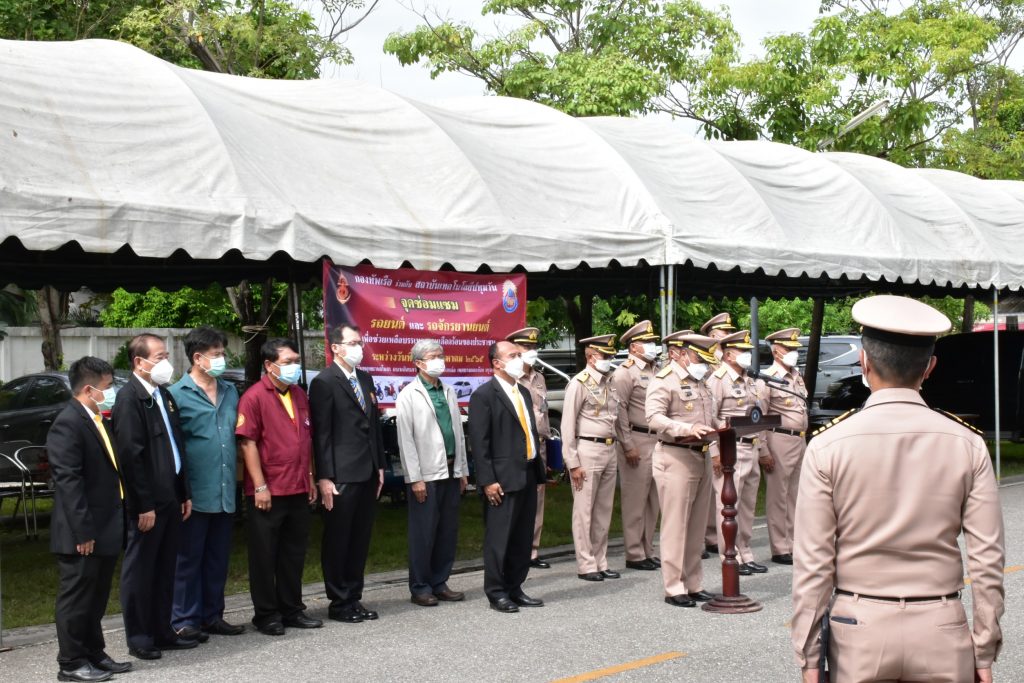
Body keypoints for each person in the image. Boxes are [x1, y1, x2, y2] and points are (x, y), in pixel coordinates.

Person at [792, 295, 1005, 683]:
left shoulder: (827, 445)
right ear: (930, 368)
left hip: (858, 626)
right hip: (941, 626)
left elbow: (813, 563)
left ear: (864, 362)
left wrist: (808, 657)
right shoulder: (967, 443)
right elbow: (987, 559)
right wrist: (984, 648)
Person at [112, 334, 195, 660]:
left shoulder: (163, 395)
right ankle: (140, 635)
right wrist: (142, 504)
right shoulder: (129, 399)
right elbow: (131, 457)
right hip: (147, 503)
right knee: (141, 570)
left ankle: (163, 629)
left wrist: (183, 491)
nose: (165, 363)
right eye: (159, 357)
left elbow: (177, 446)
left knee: (165, 568)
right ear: (139, 363)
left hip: (171, 496)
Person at [47, 356, 130, 682]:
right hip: (81, 531)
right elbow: (69, 482)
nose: (110, 393)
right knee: (77, 599)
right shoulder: (67, 423)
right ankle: (71, 662)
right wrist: (83, 531)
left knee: (96, 597)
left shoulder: (96, 418)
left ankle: (94, 652)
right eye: (107, 387)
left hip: (105, 526)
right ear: (88, 388)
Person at [236, 338, 321, 636]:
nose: (294, 367)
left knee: (293, 553)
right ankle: (266, 614)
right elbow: (248, 444)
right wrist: (259, 486)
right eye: (287, 362)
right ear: (269, 366)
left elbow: (306, 440)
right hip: (268, 490)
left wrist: (310, 476)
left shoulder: (299, 393)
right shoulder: (254, 397)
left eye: (296, 361)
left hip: (297, 485)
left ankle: (292, 608)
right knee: (264, 555)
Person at [167, 327, 245, 640]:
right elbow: (174, 446)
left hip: (224, 488)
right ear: (198, 358)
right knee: (188, 560)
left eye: (223, 354)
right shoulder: (176, 394)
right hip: (194, 492)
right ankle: (184, 619)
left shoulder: (229, 391)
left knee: (217, 559)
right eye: (217, 355)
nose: (222, 359)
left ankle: (213, 615)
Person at [309, 324, 386, 624]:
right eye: (352, 342)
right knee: (339, 539)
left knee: (359, 538)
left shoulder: (365, 378)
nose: (359, 347)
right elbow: (322, 434)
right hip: (341, 473)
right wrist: (325, 477)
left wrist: (380, 465)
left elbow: (374, 427)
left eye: (360, 341)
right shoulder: (325, 382)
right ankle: (339, 601)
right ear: (336, 347)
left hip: (367, 470)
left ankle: (354, 596)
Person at [467, 341, 547, 613]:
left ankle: (515, 586)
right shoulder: (484, 396)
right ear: (496, 363)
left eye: (519, 355)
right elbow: (480, 443)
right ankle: (497, 592)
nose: (519, 359)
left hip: (526, 472)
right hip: (502, 478)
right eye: (513, 355)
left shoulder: (523, 391)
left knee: (522, 537)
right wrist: (488, 480)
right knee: (500, 538)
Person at [645, 331, 719, 607]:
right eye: (700, 358)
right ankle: (674, 587)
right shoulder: (665, 380)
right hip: (675, 456)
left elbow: (710, 417)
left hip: (701, 455)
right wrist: (686, 428)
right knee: (676, 526)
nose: (704, 364)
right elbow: (653, 417)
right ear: (684, 353)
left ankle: (693, 582)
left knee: (697, 526)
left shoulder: (702, 381)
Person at [395, 339, 468, 607]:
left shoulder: (448, 391)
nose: (440, 359)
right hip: (425, 474)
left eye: (441, 354)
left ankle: (440, 582)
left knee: (447, 531)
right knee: (423, 533)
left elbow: (458, 434)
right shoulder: (408, 395)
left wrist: (462, 469)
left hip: (450, 469)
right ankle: (420, 586)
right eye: (433, 356)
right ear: (418, 363)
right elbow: (406, 441)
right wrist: (415, 478)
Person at [560, 333, 625, 582]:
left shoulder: (609, 383)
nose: (608, 360)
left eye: (610, 355)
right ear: (590, 356)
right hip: (587, 449)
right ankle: (586, 563)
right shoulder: (580, 383)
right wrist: (573, 463)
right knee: (584, 510)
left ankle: (601, 560)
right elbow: (567, 426)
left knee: (603, 509)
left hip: (610, 449)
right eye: (604, 356)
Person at [705, 330, 768, 575]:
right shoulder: (718, 380)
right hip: (731, 448)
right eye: (743, 351)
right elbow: (709, 419)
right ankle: (729, 555)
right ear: (729, 354)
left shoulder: (750, 379)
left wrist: (761, 446)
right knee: (730, 506)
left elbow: (757, 414)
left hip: (750, 446)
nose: (747, 356)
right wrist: (714, 452)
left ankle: (746, 553)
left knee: (748, 506)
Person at [611, 320, 663, 572]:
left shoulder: (657, 369)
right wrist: (627, 443)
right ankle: (633, 552)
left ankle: (647, 548)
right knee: (635, 499)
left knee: (653, 499)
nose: (653, 346)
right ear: (634, 347)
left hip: (658, 439)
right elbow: (619, 410)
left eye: (654, 342)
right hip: (637, 439)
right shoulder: (625, 373)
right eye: (648, 342)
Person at [506, 327, 553, 569]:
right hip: (517, 448)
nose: (532, 352)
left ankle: (533, 550)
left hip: (540, 445)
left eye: (534, 348)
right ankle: (516, 550)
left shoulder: (539, 377)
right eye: (527, 348)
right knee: (517, 500)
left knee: (537, 499)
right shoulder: (510, 377)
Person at [762, 327, 808, 565]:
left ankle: (794, 543)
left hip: (799, 439)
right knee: (778, 496)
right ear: (776, 351)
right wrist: (764, 450)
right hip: (778, 439)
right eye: (789, 349)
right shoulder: (768, 377)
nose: (793, 353)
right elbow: (759, 417)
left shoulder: (796, 375)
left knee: (797, 494)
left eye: (794, 349)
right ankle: (780, 547)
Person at [699, 312, 735, 556]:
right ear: (713, 337)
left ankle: (713, 536)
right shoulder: (704, 365)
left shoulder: (725, 365)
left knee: (716, 492)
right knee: (704, 492)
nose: (729, 338)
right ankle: (701, 537)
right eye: (724, 334)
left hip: (723, 436)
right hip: (704, 434)